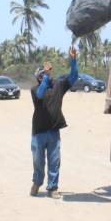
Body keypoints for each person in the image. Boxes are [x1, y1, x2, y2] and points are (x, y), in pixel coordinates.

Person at [30, 46, 78, 199]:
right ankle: (37, 183)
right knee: (38, 161)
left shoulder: (58, 85)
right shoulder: (35, 90)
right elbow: (40, 94)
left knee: (54, 161)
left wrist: (73, 61)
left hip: (53, 131)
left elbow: (73, 77)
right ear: (38, 77)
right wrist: (46, 76)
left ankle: (52, 188)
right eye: (42, 74)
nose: (46, 75)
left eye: (46, 73)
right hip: (38, 132)